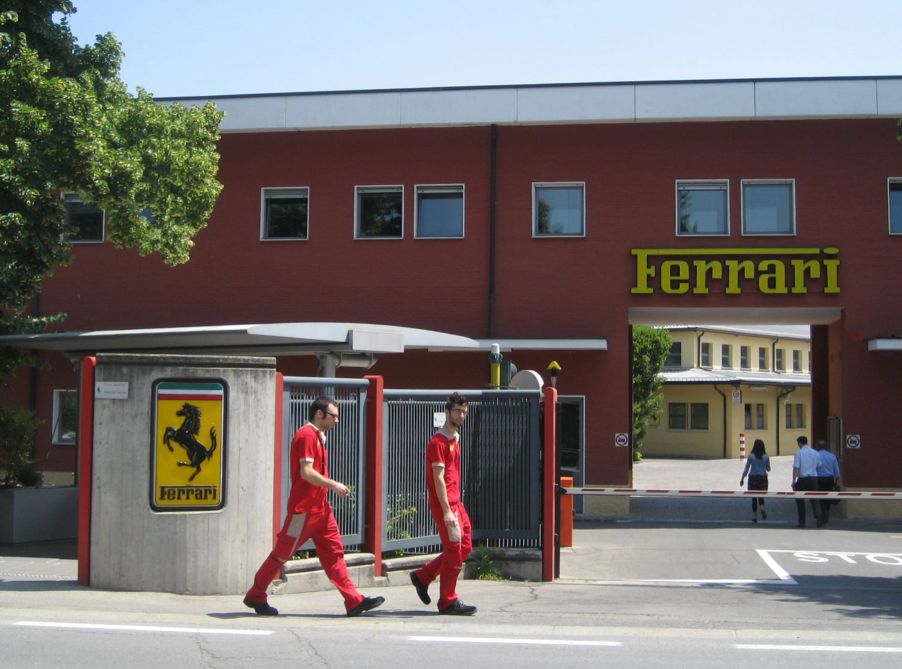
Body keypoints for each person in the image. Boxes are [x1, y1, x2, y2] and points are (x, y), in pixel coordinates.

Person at [244, 396, 384, 617]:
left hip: (321, 509)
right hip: (304, 510)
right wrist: (334, 484)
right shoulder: (306, 435)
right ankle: (256, 594)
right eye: (333, 416)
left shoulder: (317, 436)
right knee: (282, 554)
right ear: (319, 414)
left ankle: (353, 600)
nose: (337, 421)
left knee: (334, 553)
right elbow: (306, 472)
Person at [409, 392, 477, 615]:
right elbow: (438, 478)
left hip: (458, 503)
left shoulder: (454, 439)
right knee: (455, 550)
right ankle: (447, 601)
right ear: (447, 412)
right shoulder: (438, 442)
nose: (461, 415)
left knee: (465, 546)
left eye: (464, 412)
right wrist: (447, 511)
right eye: (457, 411)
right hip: (447, 505)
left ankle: (423, 576)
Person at [792, 435, 822, 528]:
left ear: (800, 443)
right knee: (815, 500)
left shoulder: (799, 453)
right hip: (813, 478)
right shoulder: (815, 452)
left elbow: (796, 468)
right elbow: (819, 465)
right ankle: (818, 518)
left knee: (800, 501)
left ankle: (802, 522)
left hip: (803, 479)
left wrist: (794, 480)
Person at [740, 439, 770, 523]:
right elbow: (768, 469)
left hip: (753, 478)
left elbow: (746, 468)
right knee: (761, 495)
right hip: (763, 478)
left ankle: (754, 516)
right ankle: (762, 507)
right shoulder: (766, 456)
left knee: (753, 497)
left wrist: (742, 478)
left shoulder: (751, 456)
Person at [815, 439, 841, 525]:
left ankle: (821, 515)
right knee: (828, 497)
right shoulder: (832, 456)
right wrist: (836, 481)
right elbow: (837, 471)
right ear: (826, 447)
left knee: (819, 498)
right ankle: (826, 516)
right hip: (829, 479)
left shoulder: (816, 455)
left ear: (818, 447)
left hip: (818, 479)